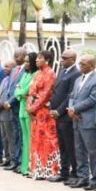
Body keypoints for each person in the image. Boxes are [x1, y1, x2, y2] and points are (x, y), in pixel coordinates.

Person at [67, 54, 96, 189]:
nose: (80, 66)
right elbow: (72, 96)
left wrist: (75, 108)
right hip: (76, 119)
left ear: (92, 66)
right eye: (80, 63)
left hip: (88, 120)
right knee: (79, 149)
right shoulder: (78, 79)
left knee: (92, 150)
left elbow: (93, 99)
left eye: (83, 64)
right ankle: (83, 177)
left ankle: (95, 180)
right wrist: (71, 109)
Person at [28, 50, 61, 180]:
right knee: (37, 140)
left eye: (39, 58)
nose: (36, 60)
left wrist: (32, 108)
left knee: (48, 140)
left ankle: (50, 170)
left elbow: (45, 94)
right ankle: (38, 170)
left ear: (46, 60)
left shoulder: (50, 74)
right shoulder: (37, 74)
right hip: (35, 112)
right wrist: (29, 108)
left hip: (45, 113)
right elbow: (31, 92)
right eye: (36, 58)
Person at [50, 50, 79, 183]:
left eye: (65, 58)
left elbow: (70, 95)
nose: (61, 60)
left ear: (73, 59)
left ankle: (75, 173)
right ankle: (64, 172)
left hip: (65, 115)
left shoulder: (76, 73)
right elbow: (56, 91)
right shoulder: (62, 71)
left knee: (70, 145)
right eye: (61, 57)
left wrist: (59, 110)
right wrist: (52, 108)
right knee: (62, 146)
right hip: (57, 114)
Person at [14, 52, 37, 177]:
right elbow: (16, 91)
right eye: (25, 61)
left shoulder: (35, 74)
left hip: (29, 109)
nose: (26, 63)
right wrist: (20, 93)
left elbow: (26, 90)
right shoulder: (25, 74)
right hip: (22, 108)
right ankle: (24, 167)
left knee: (31, 139)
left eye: (28, 61)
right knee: (25, 139)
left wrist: (21, 92)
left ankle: (31, 166)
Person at [0, 59, 17, 167]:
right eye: (4, 66)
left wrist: (1, 103)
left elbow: (12, 95)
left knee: (10, 137)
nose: (4, 69)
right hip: (1, 111)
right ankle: (7, 158)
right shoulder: (4, 80)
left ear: (14, 68)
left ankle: (13, 159)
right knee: (4, 136)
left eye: (7, 67)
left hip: (8, 111)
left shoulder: (14, 80)